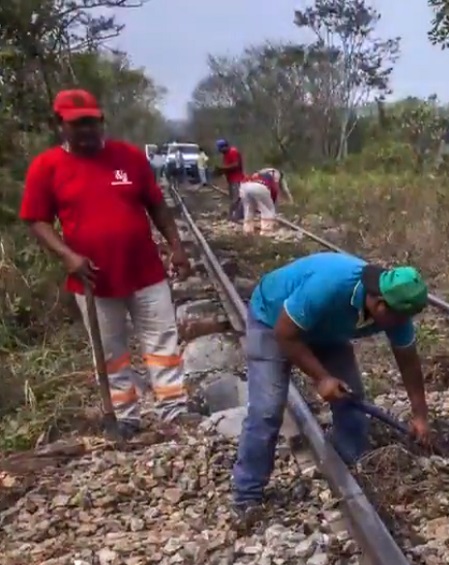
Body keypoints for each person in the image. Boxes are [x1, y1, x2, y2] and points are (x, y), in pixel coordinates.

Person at [19, 89, 196, 439]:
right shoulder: (46, 166)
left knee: (162, 341)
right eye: (77, 124)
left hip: (145, 271)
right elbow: (36, 219)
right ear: (60, 125)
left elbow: (156, 206)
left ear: (101, 121)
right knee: (111, 352)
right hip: (93, 280)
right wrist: (67, 255)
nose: (86, 130)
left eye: (91, 122)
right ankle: (125, 415)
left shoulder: (129, 157)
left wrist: (176, 247)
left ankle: (173, 408)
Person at [231, 251, 435, 516]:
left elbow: (408, 361)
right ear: (380, 305)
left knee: (351, 400)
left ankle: (350, 466)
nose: (403, 325)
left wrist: (420, 415)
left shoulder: (396, 310)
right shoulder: (330, 286)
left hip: (327, 330)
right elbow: (286, 334)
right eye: (400, 319)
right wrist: (322, 378)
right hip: (272, 320)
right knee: (267, 410)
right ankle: (247, 495)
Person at [239, 167, 293, 235]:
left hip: (244, 186)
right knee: (268, 210)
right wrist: (274, 205)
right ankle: (266, 232)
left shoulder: (261, 172)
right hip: (260, 186)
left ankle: (247, 230)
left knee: (249, 209)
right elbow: (275, 189)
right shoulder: (276, 173)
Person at [215, 138, 245, 220]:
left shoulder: (233, 151)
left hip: (236, 179)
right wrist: (220, 171)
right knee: (233, 198)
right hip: (231, 179)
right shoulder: (226, 155)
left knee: (236, 198)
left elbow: (236, 165)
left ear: (224, 147)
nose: (220, 151)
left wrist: (223, 168)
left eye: (220, 149)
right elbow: (227, 167)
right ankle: (234, 214)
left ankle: (235, 215)